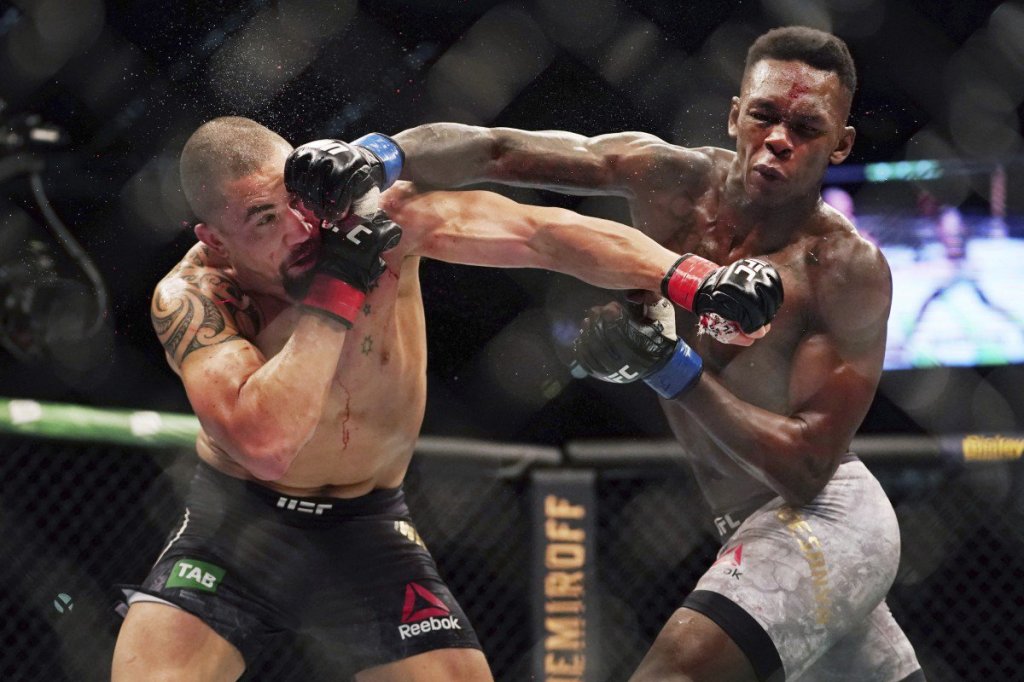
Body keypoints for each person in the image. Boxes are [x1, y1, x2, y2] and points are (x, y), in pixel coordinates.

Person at [111, 116, 782, 681]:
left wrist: (689, 279)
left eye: (295, 198)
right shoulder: (195, 298)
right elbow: (266, 442)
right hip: (238, 527)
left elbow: (538, 234)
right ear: (214, 240)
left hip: (368, 525)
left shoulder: (375, 217)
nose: (298, 225)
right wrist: (339, 287)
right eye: (264, 219)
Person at [376, 25, 925, 682]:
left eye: (807, 128)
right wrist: (381, 154)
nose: (779, 138)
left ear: (841, 145)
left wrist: (670, 367)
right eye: (764, 115)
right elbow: (499, 149)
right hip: (744, 523)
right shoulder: (672, 182)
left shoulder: (844, 268)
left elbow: (807, 468)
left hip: (822, 516)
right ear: (734, 115)